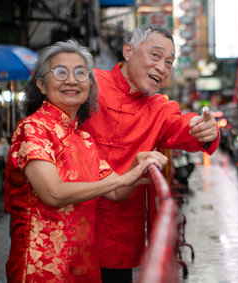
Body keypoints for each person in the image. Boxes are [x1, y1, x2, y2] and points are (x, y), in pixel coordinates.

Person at [4, 39, 167, 282]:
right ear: (41, 84)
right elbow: (53, 193)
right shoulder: (33, 128)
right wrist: (124, 178)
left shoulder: (84, 139)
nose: (71, 80)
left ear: (90, 85)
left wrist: (136, 166)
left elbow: (117, 192)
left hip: (83, 267)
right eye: (60, 72)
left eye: (81, 73)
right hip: (41, 268)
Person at [80, 24, 220, 281]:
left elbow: (184, 126)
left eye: (169, 62)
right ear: (128, 51)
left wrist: (206, 130)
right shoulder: (91, 82)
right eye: (155, 56)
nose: (162, 67)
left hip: (117, 235)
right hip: (71, 224)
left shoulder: (159, 108)